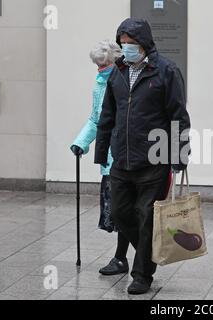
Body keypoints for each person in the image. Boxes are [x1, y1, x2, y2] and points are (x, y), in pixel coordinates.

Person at [94, 18, 191, 295]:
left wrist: (179, 155)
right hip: (121, 160)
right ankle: (150, 254)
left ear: (145, 44)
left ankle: (142, 275)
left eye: (131, 44)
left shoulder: (166, 71)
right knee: (121, 214)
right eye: (122, 44)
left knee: (146, 216)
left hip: (154, 160)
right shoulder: (118, 72)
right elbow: (107, 115)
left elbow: (178, 117)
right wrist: (102, 151)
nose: (126, 49)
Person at [70, 40, 122, 232]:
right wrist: (80, 142)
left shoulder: (123, 83)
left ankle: (123, 257)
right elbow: (95, 119)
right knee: (114, 216)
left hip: (124, 158)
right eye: (97, 65)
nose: (100, 69)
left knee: (124, 214)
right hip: (108, 161)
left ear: (115, 62)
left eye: (103, 65)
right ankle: (120, 258)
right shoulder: (99, 85)